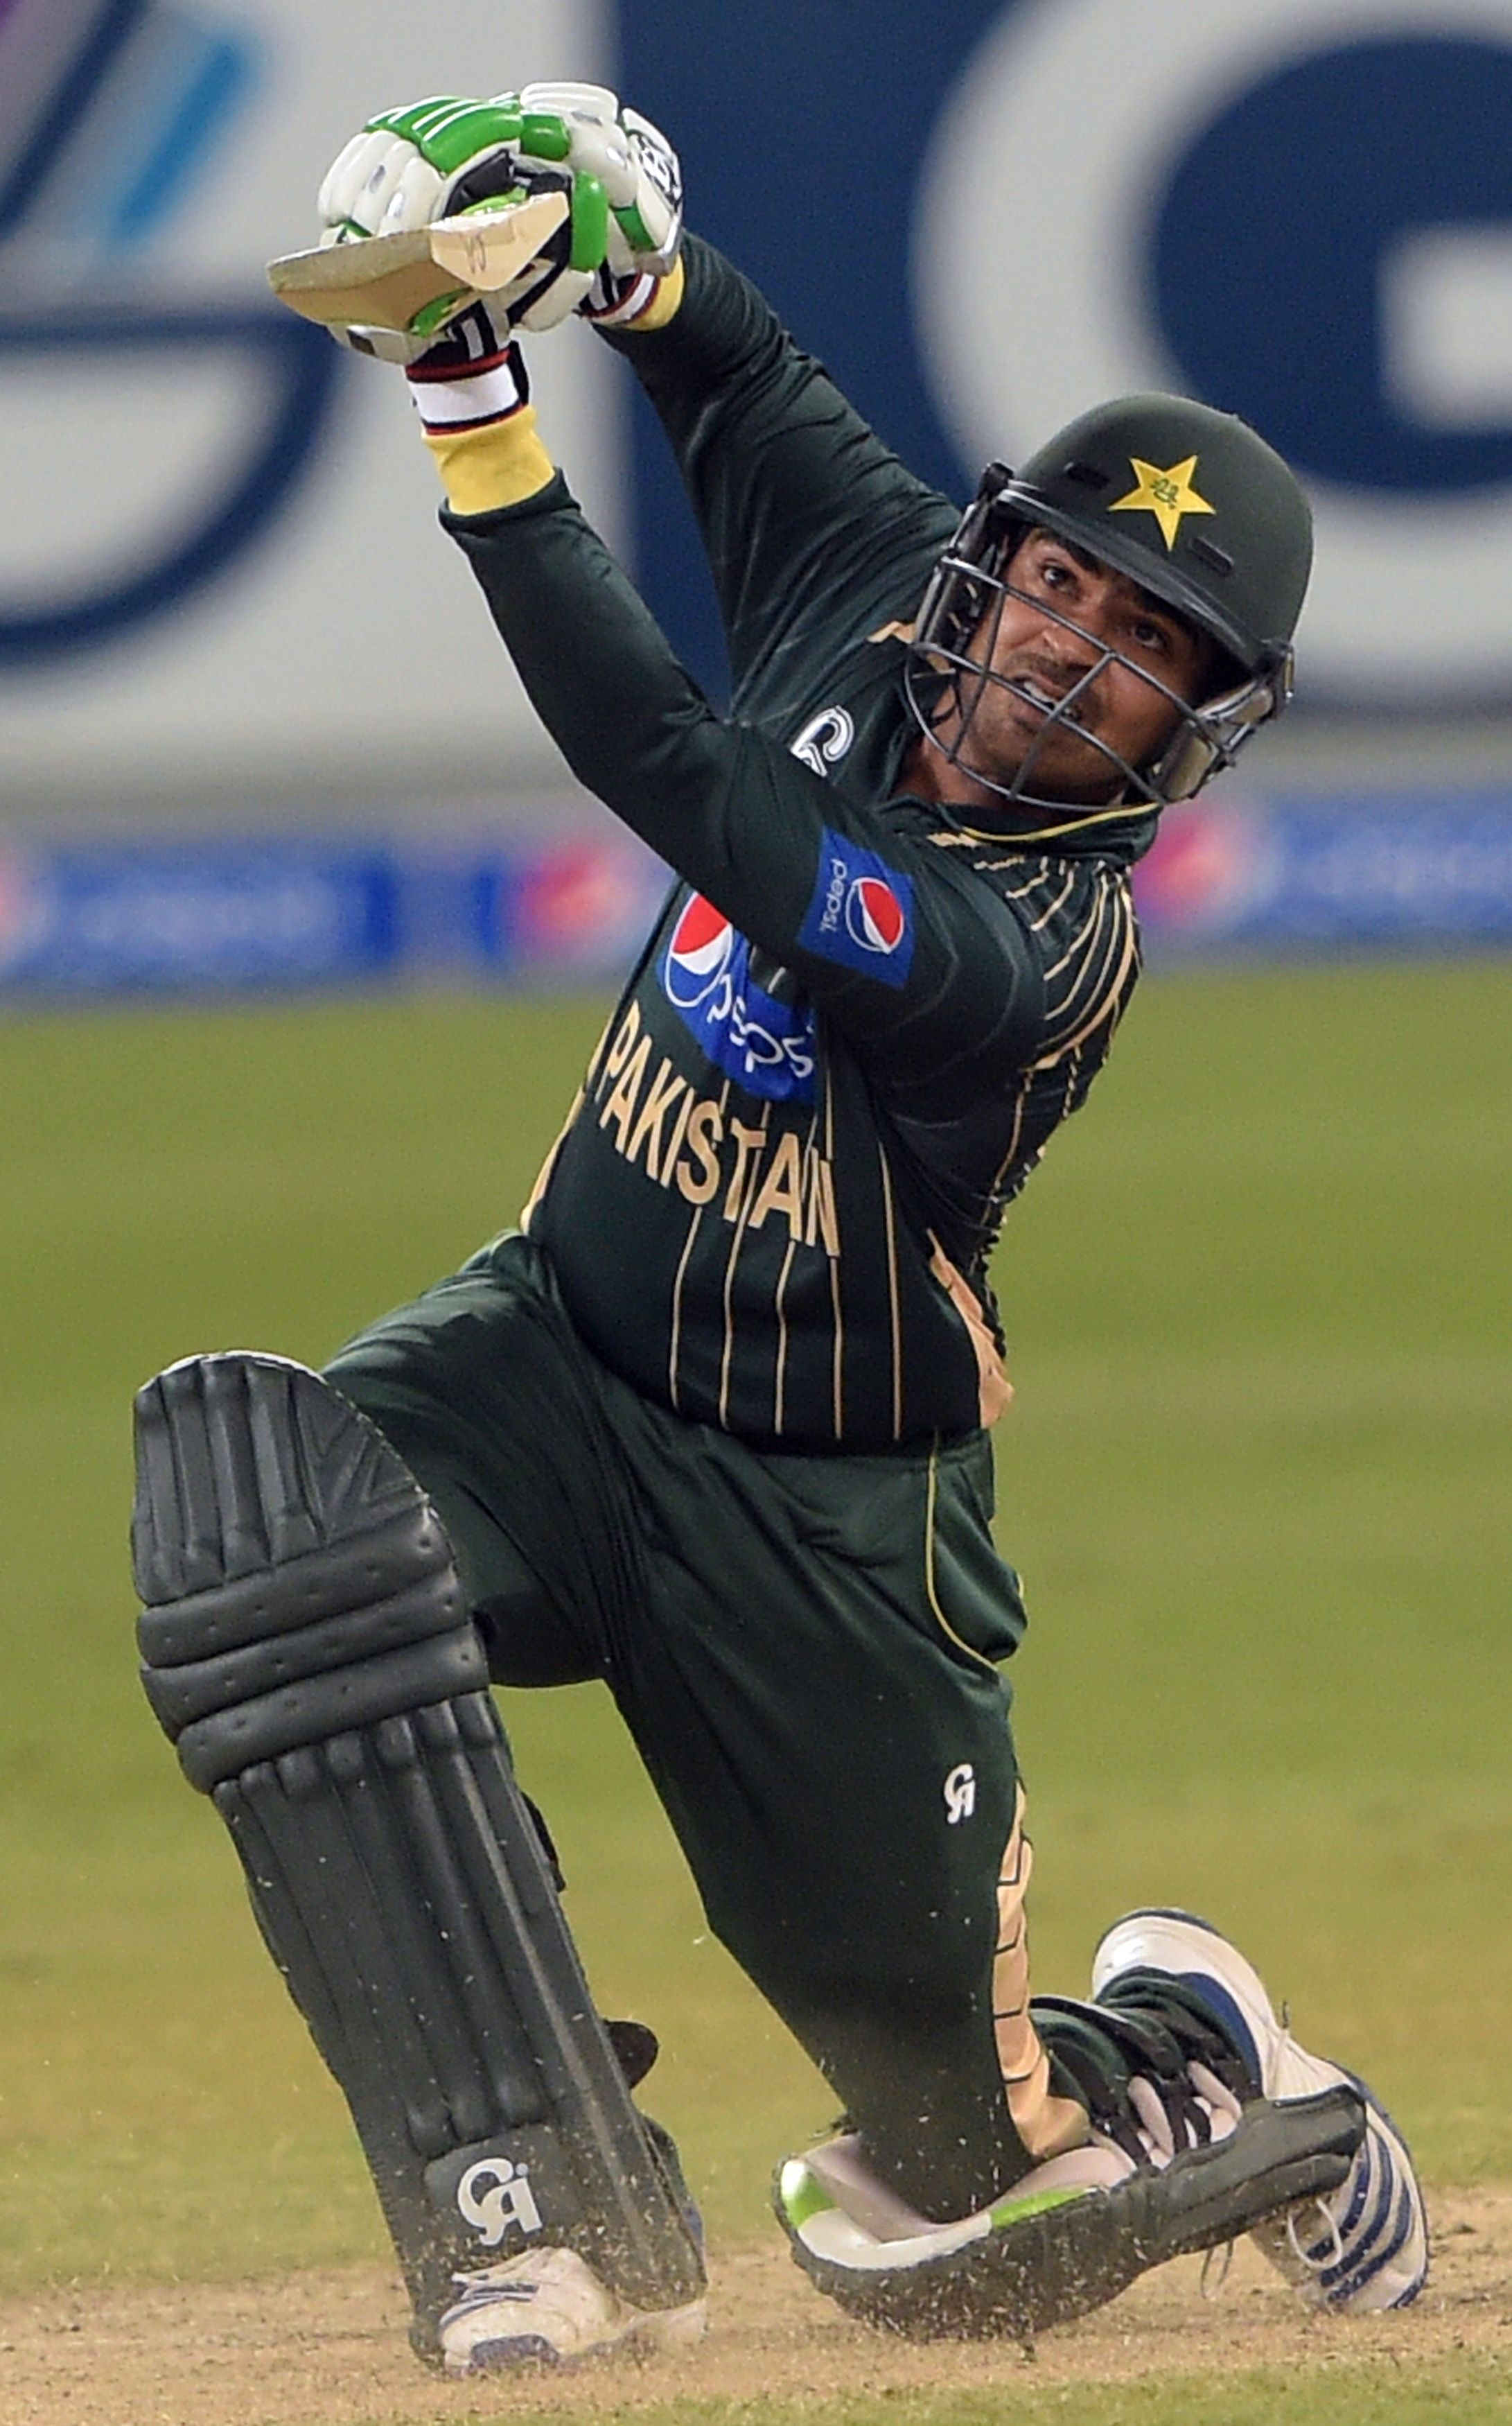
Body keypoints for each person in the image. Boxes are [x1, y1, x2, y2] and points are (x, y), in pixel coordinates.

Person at [134, 84, 1427, 2373]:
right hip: (553, 1358)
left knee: (961, 2214)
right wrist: (616, 248)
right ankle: (526, 2193)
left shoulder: (1023, 944)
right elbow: (742, 370)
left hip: (821, 1528)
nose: (1064, 656)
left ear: (1194, 726)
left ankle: (1206, 2049)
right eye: (1057, 588)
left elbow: (672, 762)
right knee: (288, 1563)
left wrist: (474, 406)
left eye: (1142, 650)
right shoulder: (878, 573)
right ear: (996, 562)